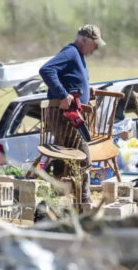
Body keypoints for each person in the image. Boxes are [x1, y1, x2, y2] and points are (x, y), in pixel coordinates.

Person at [39, 24, 106, 203]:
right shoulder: (71, 52)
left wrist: (84, 88)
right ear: (84, 40)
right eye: (95, 44)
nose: (97, 48)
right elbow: (46, 70)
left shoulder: (79, 55)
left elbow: (70, 78)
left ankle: (50, 195)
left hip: (71, 117)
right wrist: (63, 94)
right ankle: (84, 201)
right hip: (65, 117)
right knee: (83, 158)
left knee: (64, 160)